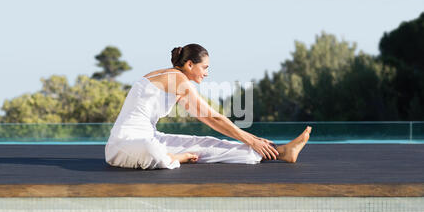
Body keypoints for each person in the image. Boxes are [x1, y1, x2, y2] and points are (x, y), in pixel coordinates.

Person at [105, 43, 311, 169]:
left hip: (150, 136)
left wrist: (253, 140)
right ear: (189, 65)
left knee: (206, 143)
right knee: (152, 149)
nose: (206, 73)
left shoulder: (173, 80)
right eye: (204, 67)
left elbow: (209, 119)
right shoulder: (176, 78)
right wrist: (250, 138)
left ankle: (282, 152)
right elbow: (214, 117)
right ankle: (175, 158)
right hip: (124, 144)